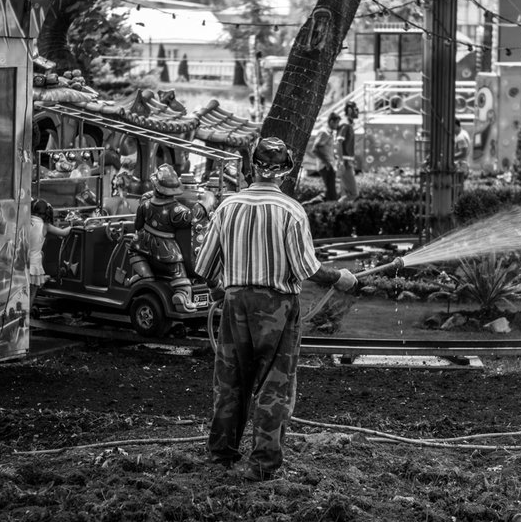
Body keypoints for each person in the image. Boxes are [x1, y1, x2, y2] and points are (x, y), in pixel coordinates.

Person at [195, 137, 358, 482]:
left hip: (235, 302)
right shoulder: (290, 211)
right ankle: (262, 466)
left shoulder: (227, 207)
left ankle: (221, 455)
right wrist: (340, 277)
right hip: (277, 307)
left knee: (230, 381)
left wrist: (220, 294)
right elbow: (307, 269)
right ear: (285, 171)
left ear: (252, 167)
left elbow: (205, 267)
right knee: (274, 385)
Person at [129, 163, 215, 312]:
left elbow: (137, 226)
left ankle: (145, 274)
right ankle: (182, 295)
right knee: (178, 273)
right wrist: (207, 202)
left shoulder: (144, 204)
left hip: (142, 244)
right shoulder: (176, 209)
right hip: (166, 250)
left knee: (132, 250)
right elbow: (192, 217)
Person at [27, 199, 71, 310]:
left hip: (23, 263)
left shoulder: (25, 221)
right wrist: (73, 225)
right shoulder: (45, 225)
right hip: (34, 265)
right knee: (31, 294)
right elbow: (64, 233)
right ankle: (26, 318)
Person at [310, 111, 340, 202]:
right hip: (326, 167)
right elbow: (315, 149)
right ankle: (309, 206)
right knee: (332, 195)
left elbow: (325, 149)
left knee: (329, 193)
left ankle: (310, 205)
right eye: (337, 123)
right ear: (331, 122)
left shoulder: (330, 133)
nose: (337, 125)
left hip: (329, 166)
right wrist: (327, 163)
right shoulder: (324, 132)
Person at [336, 100, 359, 203]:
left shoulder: (348, 125)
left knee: (346, 194)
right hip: (344, 163)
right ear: (349, 110)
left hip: (347, 163)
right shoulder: (345, 125)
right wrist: (341, 162)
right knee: (353, 194)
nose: (358, 112)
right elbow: (338, 143)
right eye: (356, 109)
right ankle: (334, 209)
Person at [454, 119, 472, 188]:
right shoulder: (464, 132)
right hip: (463, 165)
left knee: (457, 188)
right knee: (460, 187)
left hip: (461, 166)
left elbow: (463, 153)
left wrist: (450, 157)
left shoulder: (460, 137)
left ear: (455, 126)